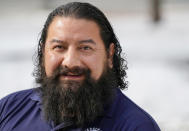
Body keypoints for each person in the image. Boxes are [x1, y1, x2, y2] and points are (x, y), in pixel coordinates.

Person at [0, 2, 160, 131]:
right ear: (43, 53)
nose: (70, 62)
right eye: (59, 47)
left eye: (85, 48)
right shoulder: (8, 109)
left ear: (109, 55)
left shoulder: (135, 126)